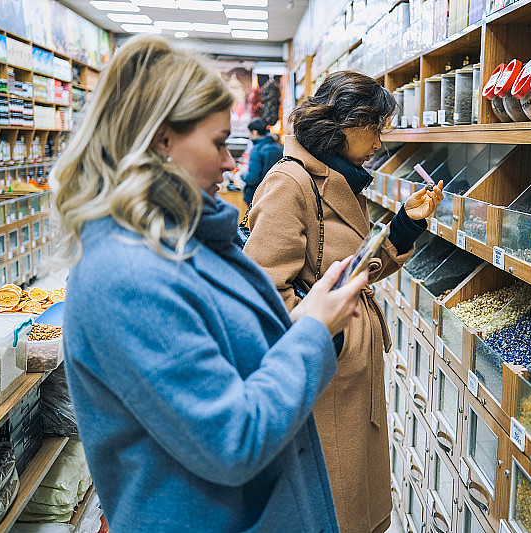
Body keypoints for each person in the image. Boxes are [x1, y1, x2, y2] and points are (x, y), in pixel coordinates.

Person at [53, 35, 368, 533]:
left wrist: (301, 323)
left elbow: (227, 360)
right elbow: (231, 437)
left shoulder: (186, 243)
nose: (231, 163)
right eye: (219, 142)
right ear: (161, 140)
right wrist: (308, 333)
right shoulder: (126, 278)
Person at [244, 70, 444, 533]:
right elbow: (263, 295)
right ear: (345, 123)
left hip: (346, 378)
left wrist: (405, 226)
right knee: (333, 510)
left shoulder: (336, 179)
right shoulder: (291, 183)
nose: (379, 141)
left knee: (355, 503)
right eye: (374, 127)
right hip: (322, 383)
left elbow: (345, 268)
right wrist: (327, 338)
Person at [232, 118, 283, 207]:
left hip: (257, 196)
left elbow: (252, 178)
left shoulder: (257, 150)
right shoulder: (278, 148)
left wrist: (241, 175)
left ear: (255, 132)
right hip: (275, 194)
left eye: (250, 133)